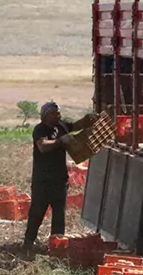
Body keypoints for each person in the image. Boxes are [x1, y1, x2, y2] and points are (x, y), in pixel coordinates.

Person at [23, 101, 96, 249]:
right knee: (37, 211)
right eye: (55, 113)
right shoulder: (40, 130)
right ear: (46, 115)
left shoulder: (61, 126)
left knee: (59, 214)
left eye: (58, 113)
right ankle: (28, 242)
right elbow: (43, 146)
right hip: (42, 180)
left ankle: (57, 245)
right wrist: (60, 141)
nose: (59, 115)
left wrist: (87, 120)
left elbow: (75, 126)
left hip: (59, 179)